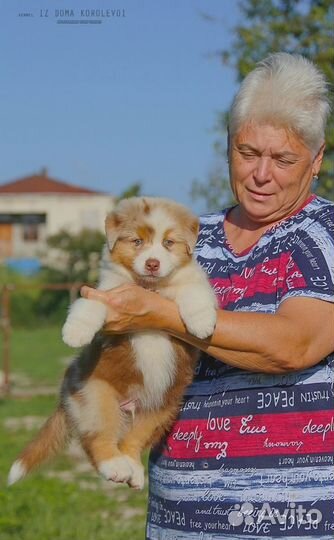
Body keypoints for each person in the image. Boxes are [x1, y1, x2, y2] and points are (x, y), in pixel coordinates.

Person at [81, 53, 334, 539]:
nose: (261, 174)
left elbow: (295, 345)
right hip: (180, 522)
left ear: (317, 159)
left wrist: (159, 313)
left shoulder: (322, 234)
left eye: (283, 159)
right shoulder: (191, 235)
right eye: (247, 152)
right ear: (227, 146)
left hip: (295, 524)